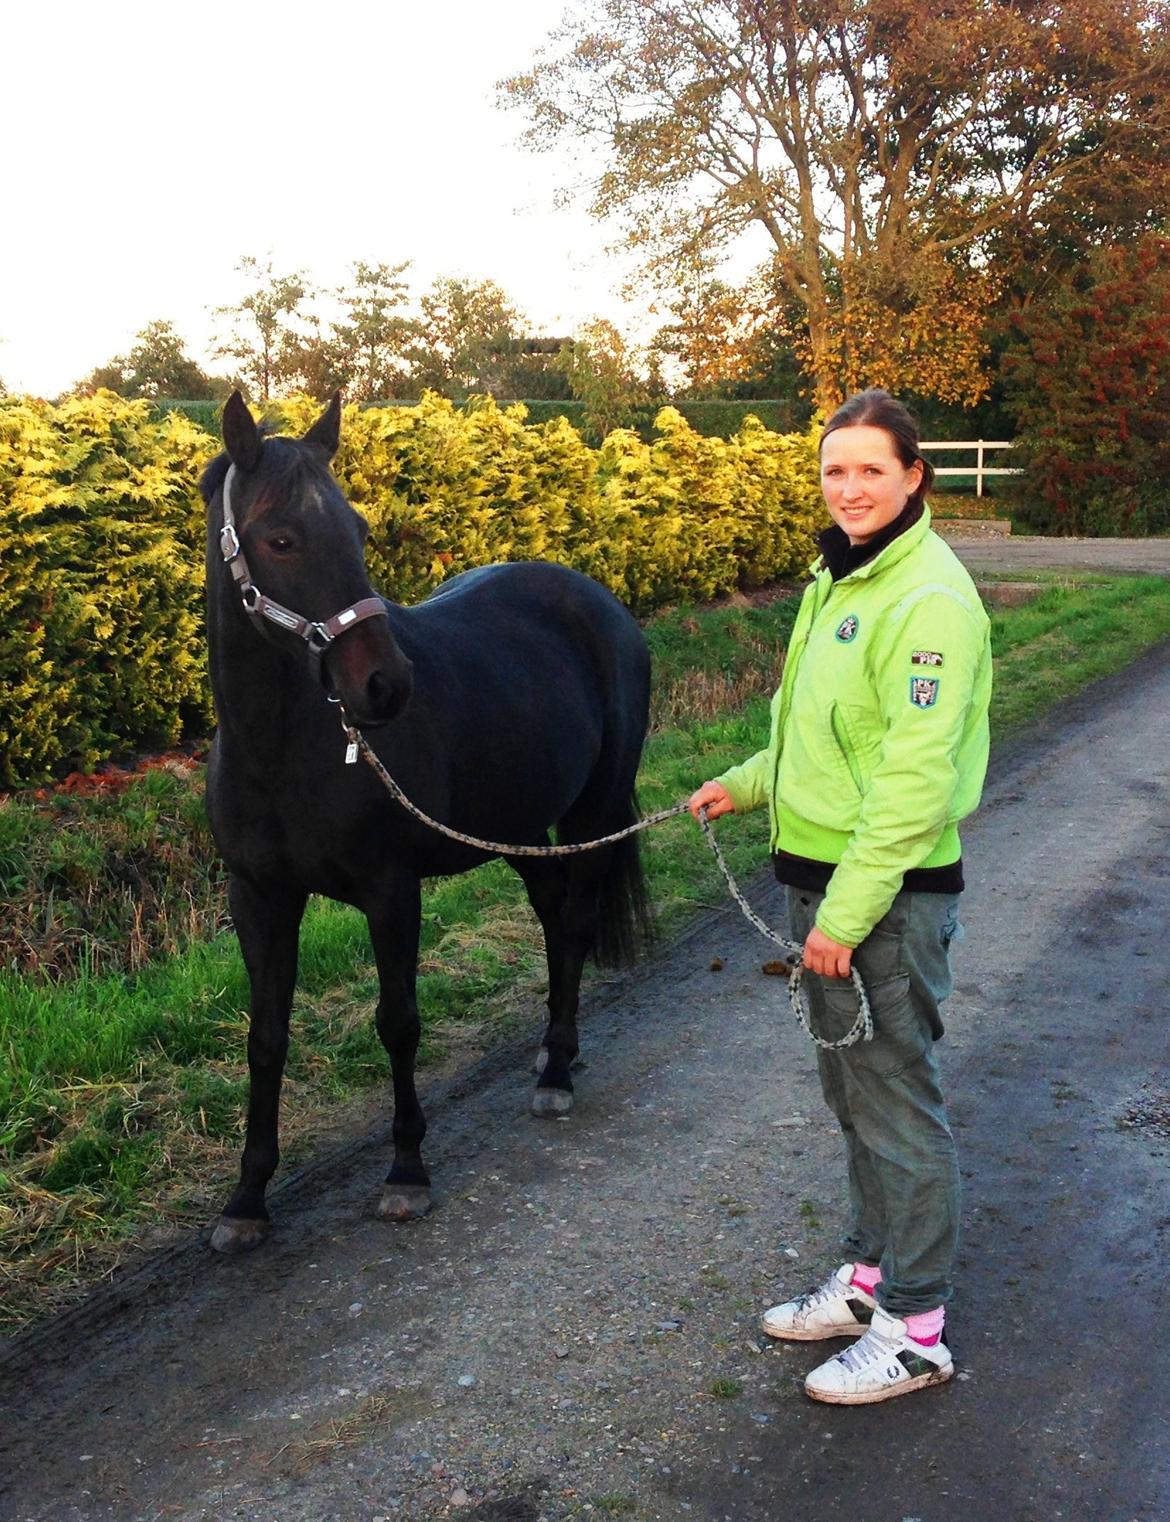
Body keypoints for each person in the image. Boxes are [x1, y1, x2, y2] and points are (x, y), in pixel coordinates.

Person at [689, 388, 992, 1406]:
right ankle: (867, 1280)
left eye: (872, 468)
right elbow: (819, 732)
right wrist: (748, 779)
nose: (851, 487)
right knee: (853, 1097)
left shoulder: (930, 599)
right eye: (835, 470)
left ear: (915, 477)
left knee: (896, 1104)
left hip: (883, 900)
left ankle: (917, 1326)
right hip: (821, 880)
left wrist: (845, 917)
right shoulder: (841, 574)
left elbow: (912, 781)